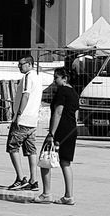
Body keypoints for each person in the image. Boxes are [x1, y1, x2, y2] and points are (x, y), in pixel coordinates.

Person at [35, 68, 78, 205]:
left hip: (61, 130)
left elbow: (58, 112)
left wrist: (51, 133)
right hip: (72, 129)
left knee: (45, 159)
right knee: (65, 162)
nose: (54, 80)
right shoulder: (74, 92)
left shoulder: (62, 91)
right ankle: (69, 195)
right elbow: (76, 114)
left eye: (56, 77)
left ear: (64, 78)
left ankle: (46, 193)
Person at [6, 55, 41, 191]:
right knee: (31, 150)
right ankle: (34, 179)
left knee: (12, 147)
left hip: (23, 119)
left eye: (22, 64)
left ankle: (20, 178)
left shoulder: (28, 77)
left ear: (30, 64)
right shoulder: (38, 77)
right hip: (33, 120)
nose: (19, 66)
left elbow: (26, 95)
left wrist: (18, 114)